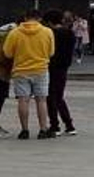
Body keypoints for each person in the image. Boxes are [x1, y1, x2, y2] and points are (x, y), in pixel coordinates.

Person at [4, 10, 56, 140]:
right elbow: (51, 52)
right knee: (41, 100)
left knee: (23, 100)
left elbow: (7, 53)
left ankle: (24, 130)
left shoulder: (15, 33)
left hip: (20, 71)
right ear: (39, 18)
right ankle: (43, 130)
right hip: (41, 70)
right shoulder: (47, 32)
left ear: (25, 18)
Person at [44, 10, 77, 137]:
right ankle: (69, 125)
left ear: (50, 22)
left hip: (51, 67)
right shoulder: (70, 33)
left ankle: (54, 125)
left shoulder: (51, 34)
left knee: (50, 97)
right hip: (64, 67)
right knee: (59, 97)